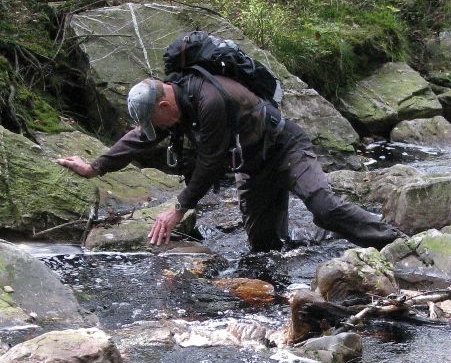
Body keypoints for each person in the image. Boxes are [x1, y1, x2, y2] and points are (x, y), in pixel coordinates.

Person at [57, 74, 405, 250]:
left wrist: (178, 207)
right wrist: (95, 166)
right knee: (266, 249)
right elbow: (139, 139)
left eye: (156, 122)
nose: (157, 130)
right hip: (252, 169)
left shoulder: (209, 100)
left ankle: (394, 243)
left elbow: (209, 163)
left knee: (324, 208)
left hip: (285, 149)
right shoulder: (174, 105)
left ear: (163, 106)